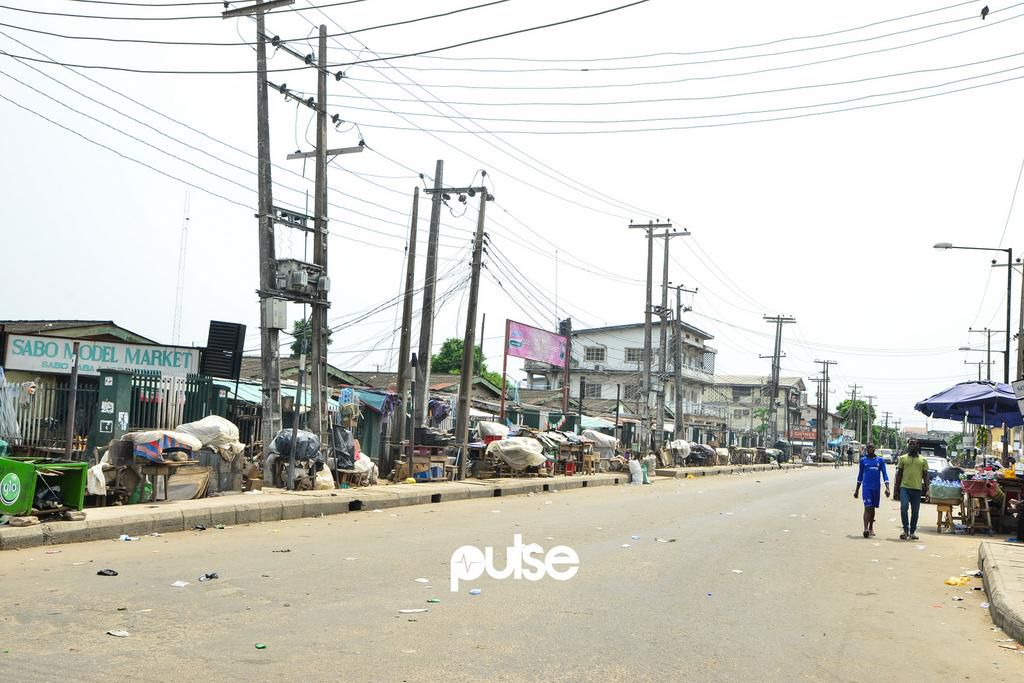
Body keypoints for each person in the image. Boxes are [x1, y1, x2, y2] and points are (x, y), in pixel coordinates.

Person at [894, 439, 930, 540]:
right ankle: (905, 530)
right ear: (908, 445)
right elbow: (899, 475)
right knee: (903, 508)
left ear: (918, 446)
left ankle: (912, 531)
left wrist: (928, 490)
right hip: (905, 488)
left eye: (914, 444)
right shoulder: (903, 458)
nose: (912, 446)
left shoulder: (923, 460)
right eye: (910, 444)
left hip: (917, 489)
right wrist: (896, 490)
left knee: (915, 512)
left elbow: (926, 476)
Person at [854, 444, 890, 538]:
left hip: (876, 488)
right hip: (866, 487)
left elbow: (885, 474)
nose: (870, 449)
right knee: (867, 507)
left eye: (872, 447)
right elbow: (860, 475)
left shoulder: (880, 461)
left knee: (873, 508)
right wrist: (857, 489)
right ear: (866, 449)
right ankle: (865, 528)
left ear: (875, 449)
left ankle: (871, 527)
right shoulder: (863, 461)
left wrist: (887, 487)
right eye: (868, 448)